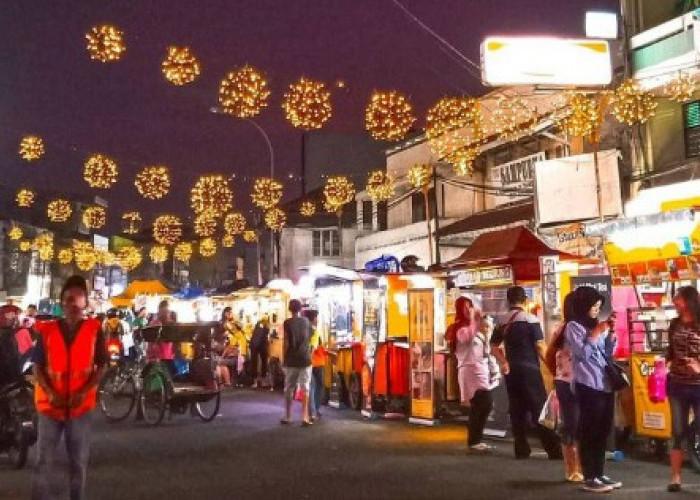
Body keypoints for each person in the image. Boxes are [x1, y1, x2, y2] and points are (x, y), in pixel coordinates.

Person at [32, 275, 108, 500]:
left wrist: (83, 392)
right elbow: (37, 366)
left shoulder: (94, 329)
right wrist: (51, 393)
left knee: (78, 463)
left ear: (85, 303)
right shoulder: (47, 330)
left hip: (80, 408)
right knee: (43, 461)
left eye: (77, 299)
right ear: (61, 303)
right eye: (68, 300)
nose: (72, 304)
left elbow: (101, 365)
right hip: (49, 407)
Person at [490, 286, 561, 460]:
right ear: (525, 300)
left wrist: (504, 362)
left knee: (517, 408)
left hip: (512, 371)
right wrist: (552, 367)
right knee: (539, 408)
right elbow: (539, 345)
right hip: (530, 369)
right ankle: (553, 449)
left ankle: (521, 448)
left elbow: (493, 346)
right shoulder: (530, 320)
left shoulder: (502, 321)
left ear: (508, 301)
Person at [565, 286, 620, 493]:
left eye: (599, 307)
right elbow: (582, 353)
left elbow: (606, 353)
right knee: (590, 430)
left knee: (603, 430)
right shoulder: (573, 326)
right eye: (594, 306)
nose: (597, 311)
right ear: (584, 306)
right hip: (587, 384)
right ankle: (589, 476)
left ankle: (599, 473)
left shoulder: (594, 326)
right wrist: (597, 332)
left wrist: (611, 332)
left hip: (604, 383)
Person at [447, 297, 500, 452]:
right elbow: (468, 337)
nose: (468, 309)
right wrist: (473, 320)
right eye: (465, 307)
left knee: (483, 404)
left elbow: (486, 349)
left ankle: (476, 439)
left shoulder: (476, 328)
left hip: (480, 370)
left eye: (470, 306)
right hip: (470, 370)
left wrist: (485, 329)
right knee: (483, 402)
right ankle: (474, 440)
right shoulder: (459, 329)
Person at [545, 292, 583, 483]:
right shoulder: (565, 328)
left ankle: (582, 467)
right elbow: (549, 354)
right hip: (567, 383)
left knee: (582, 425)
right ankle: (572, 469)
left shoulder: (584, 328)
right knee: (571, 424)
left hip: (584, 383)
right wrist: (558, 374)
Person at [666, 286, 700, 493]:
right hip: (677, 383)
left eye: (677, 298)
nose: (675, 303)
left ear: (688, 300)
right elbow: (669, 350)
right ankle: (675, 477)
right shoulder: (674, 324)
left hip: (699, 384)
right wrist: (664, 361)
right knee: (677, 431)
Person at [281, 299, 313, 426]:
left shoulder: (287, 323)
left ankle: (288, 416)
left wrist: (284, 359)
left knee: (289, 388)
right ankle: (305, 417)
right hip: (305, 359)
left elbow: (286, 342)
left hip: (291, 359)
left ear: (290, 309)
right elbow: (310, 339)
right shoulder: (306, 322)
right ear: (300, 309)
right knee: (305, 388)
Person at [305, 310, 328, 421]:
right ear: (313, 319)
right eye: (316, 317)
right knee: (317, 387)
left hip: (308, 363)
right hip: (316, 363)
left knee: (311, 387)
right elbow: (313, 347)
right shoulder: (314, 331)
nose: (317, 319)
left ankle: (313, 412)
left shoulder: (304, 330)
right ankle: (315, 411)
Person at [250, 316, 271, 389]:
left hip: (254, 344)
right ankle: (262, 380)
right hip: (259, 344)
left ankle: (256, 381)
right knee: (263, 361)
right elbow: (265, 336)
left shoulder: (258, 325)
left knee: (255, 362)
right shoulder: (264, 326)